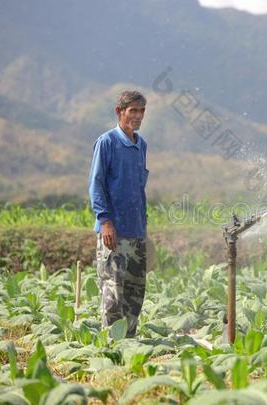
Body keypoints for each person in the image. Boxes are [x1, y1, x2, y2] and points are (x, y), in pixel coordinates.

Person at [88, 90, 149, 338]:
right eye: (132, 110)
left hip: (136, 232)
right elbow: (96, 184)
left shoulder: (141, 145)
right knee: (113, 292)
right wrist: (105, 222)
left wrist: (143, 228)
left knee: (135, 293)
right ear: (119, 112)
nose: (137, 116)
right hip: (113, 232)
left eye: (141, 111)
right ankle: (113, 346)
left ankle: (129, 343)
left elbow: (138, 188)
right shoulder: (107, 142)